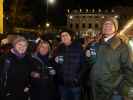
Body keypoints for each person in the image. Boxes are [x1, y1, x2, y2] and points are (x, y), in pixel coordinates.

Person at [90, 17, 133, 100]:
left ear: (115, 28)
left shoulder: (123, 46)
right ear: (102, 27)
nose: (107, 26)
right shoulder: (96, 44)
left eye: (110, 24)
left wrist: (125, 89)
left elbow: (129, 70)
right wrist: (88, 57)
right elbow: (92, 64)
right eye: (105, 24)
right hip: (96, 89)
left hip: (113, 91)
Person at [53, 30, 85, 100]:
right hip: (62, 84)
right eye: (62, 36)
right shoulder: (59, 48)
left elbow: (84, 65)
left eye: (66, 35)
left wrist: (77, 79)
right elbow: (55, 65)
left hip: (74, 85)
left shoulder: (78, 47)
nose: (64, 37)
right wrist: (55, 61)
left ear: (71, 37)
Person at [0, 35, 31, 100]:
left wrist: (28, 85)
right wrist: (4, 92)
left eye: (25, 45)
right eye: (19, 44)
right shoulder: (5, 58)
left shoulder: (27, 58)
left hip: (23, 93)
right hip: (8, 94)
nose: (22, 47)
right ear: (14, 45)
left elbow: (29, 74)